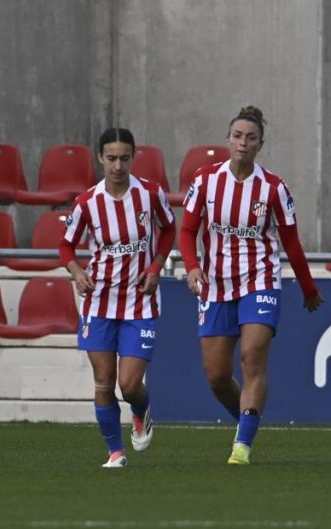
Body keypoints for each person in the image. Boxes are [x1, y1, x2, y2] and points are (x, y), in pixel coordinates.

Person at [178, 106, 323, 465]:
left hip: (259, 281)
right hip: (214, 285)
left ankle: (241, 446)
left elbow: (291, 242)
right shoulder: (206, 180)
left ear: (261, 144)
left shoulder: (274, 188)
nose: (243, 143)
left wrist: (308, 289)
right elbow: (187, 231)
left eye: (251, 138)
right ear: (228, 139)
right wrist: (193, 267)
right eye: (238, 136)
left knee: (252, 358)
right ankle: (245, 418)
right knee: (216, 376)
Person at [60, 128, 176, 468]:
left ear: (133, 157)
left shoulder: (149, 195)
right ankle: (115, 451)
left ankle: (141, 409)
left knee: (128, 384)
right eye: (111, 158)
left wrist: (156, 266)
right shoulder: (87, 203)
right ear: (100, 158)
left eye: (124, 158)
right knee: (103, 381)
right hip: (99, 301)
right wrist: (77, 272)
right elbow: (66, 244)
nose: (118, 166)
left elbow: (169, 229)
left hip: (140, 301)